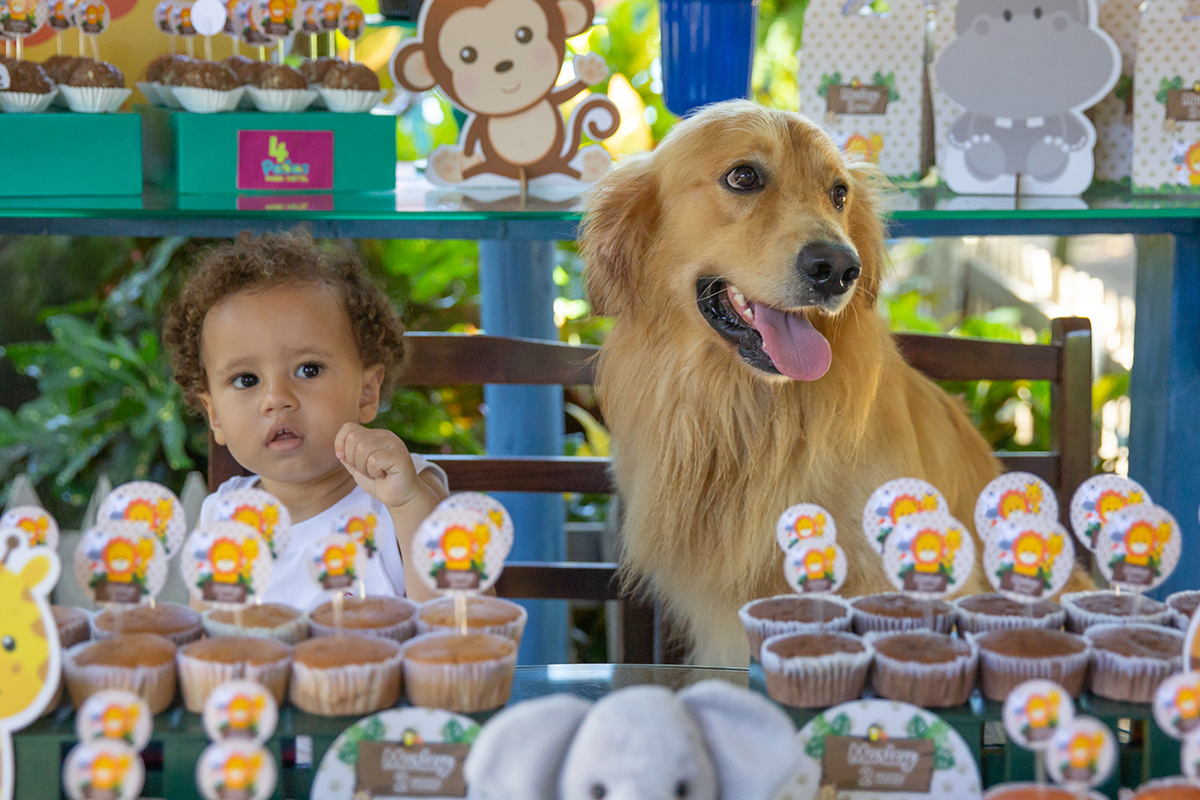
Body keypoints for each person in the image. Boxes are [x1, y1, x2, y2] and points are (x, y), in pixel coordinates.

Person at [164, 230, 448, 608]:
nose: (276, 399)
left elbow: (464, 622)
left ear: (367, 392)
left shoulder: (401, 493)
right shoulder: (222, 519)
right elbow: (208, 647)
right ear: (214, 414)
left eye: (309, 370)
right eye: (246, 380)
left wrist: (409, 502)